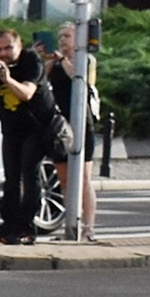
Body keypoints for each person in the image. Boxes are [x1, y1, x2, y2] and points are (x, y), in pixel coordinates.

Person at [0, 27, 54, 243]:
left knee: (30, 175)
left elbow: (27, 93)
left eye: (8, 48)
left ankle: (26, 228)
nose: (3, 54)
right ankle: (8, 224)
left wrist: (7, 79)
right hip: (11, 128)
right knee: (10, 179)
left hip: (37, 126)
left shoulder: (31, 60)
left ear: (19, 46)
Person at [47, 22, 96, 240]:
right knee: (65, 179)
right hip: (61, 124)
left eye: (67, 35)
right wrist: (48, 61)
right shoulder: (55, 61)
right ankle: (70, 224)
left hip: (81, 123)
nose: (63, 40)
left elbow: (78, 80)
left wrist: (63, 60)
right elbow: (44, 83)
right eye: (60, 36)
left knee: (83, 178)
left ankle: (89, 227)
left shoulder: (85, 59)